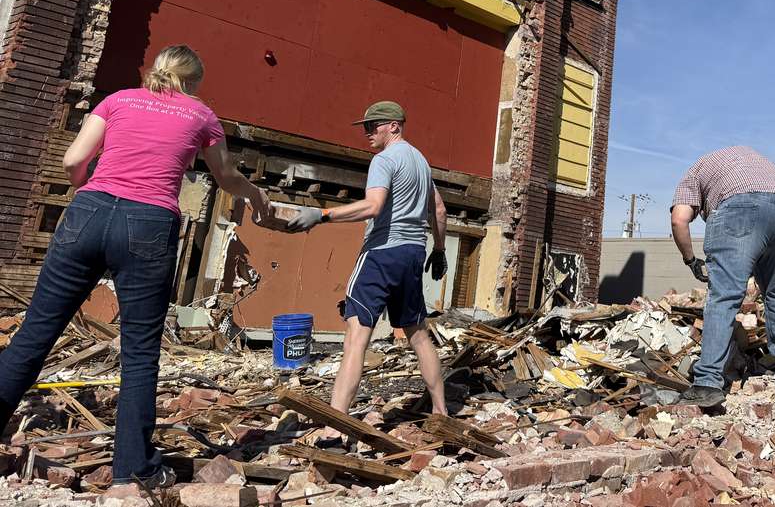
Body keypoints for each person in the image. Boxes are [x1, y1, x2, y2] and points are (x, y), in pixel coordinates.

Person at [0, 45, 271, 486]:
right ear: (194, 82)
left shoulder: (117, 100)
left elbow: (73, 160)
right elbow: (225, 177)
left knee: (35, 333)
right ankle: (134, 470)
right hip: (148, 222)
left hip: (88, 211)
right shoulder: (201, 116)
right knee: (140, 353)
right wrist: (256, 197)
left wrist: (88, 189)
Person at [286, 101, 449, 422]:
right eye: (365, 127)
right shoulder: (421, 162)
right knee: (418, 334)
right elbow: (439, 210)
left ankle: (336, 423)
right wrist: (440, 250)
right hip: (414, 254)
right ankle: (442, 412)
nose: (367, 133)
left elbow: (373, 206)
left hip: (381, 253)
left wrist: (321, 214)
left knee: (356, 335)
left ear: (395, 126)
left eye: (373, 126)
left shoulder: (384, 160)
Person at [670, 146, 775, 408]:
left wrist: (690, 260)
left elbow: (679, 220)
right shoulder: (751, 160)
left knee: (725, 296)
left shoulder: (694, 172)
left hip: (741, 207)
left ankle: (707, 383)